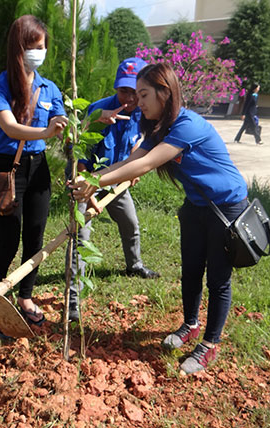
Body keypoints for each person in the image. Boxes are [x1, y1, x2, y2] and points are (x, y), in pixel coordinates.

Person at [71, 63, 248, 374]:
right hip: (196, 205)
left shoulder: (187, 125)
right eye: (137, 95)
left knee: (218, 279)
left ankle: (209, 344)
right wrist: (92, 179)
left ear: (165, 93)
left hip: (226, 206)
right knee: (191, 270)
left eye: (144, 94)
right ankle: (191, 324)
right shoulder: (160, 129)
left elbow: (147, 164)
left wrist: (96, 183)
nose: (138, 102)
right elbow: (132, 160)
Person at [0, 15, 68, 339]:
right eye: (32, 47)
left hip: (39, 167)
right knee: (8, 240)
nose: (38, 53)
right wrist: (46, 131)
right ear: (18, 49)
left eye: (42, 47)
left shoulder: (50, 88)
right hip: (8, 166)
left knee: (35, 236)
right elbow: (9, 127)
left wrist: (78, 124)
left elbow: (62, 119)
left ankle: (25, 296)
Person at [67, 57, 160, 322]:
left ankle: (135, 265)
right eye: (123, 90)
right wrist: (88, 196)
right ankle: (74, 300)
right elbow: (80, 162)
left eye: (135, 91)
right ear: (115, 87)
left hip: (117, 180)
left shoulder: (144, 112)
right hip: (87, 180)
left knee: (130, 223)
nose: (129, 98)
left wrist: (134, 168)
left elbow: (141, 143)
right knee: (80, 238)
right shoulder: (97, 112)